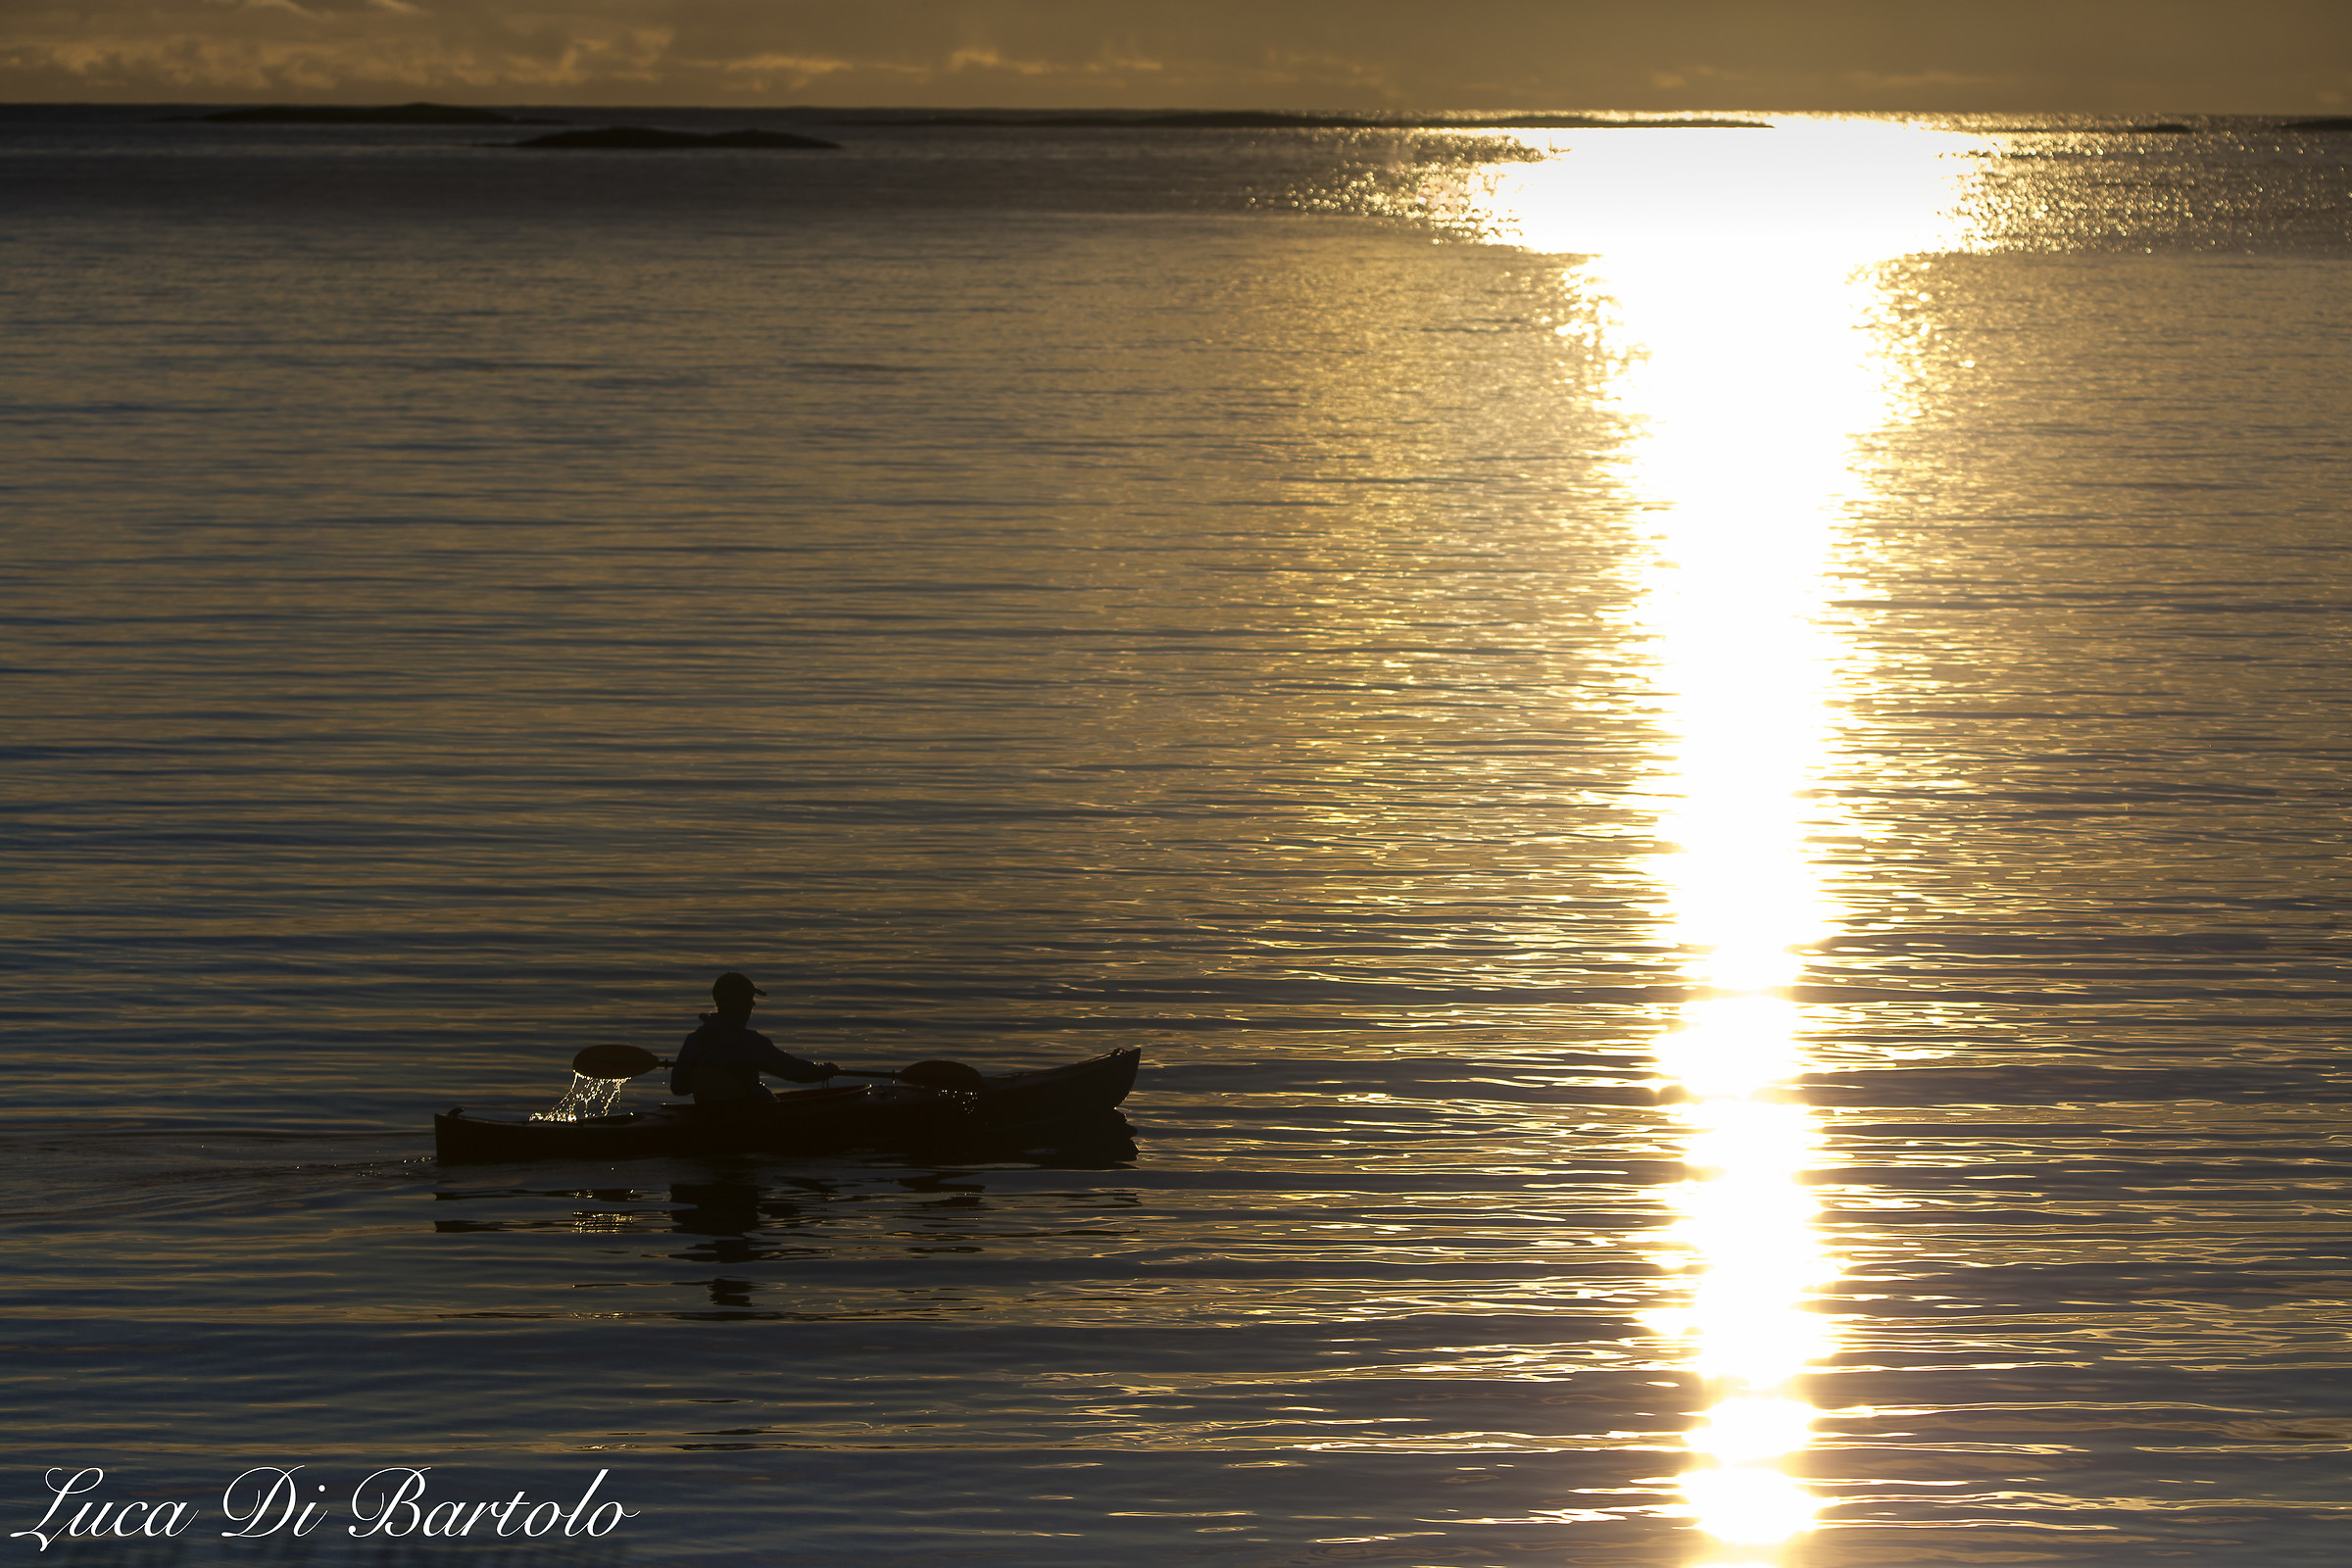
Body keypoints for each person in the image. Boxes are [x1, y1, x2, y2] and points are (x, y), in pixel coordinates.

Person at [670, 973, 840, 1104]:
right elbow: (793, 1070)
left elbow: (678, 1087)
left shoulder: (694, 1039)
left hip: (707, 1115)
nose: (751, 1007)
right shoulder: (748, 1041)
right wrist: (825, 1071)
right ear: (742, 1005)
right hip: (747, 1116)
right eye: (750, 1002)